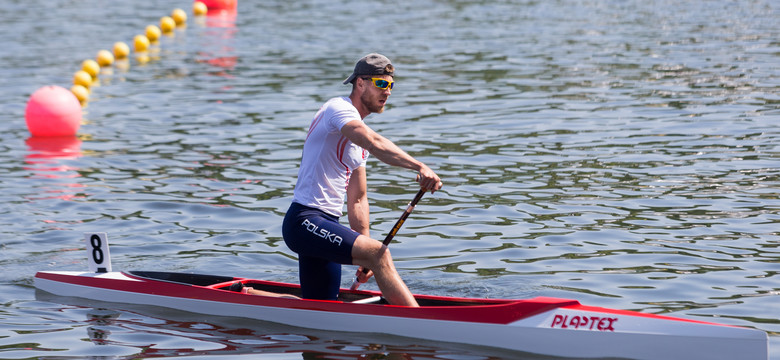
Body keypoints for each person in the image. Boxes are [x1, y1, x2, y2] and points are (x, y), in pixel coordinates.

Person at [282, 53, 442, 307]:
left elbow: (357, 199)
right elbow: (374, 141)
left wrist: (363, 249)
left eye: (391, 85)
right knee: (381, 255)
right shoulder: (337, 109)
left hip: (326, 225)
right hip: (305, 221)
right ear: (360, 83)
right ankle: (420, 322)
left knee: (320, 306)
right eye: (381, 83)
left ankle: (245, 297)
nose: (388, 92)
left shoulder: (358, 146)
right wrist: (419, 165)